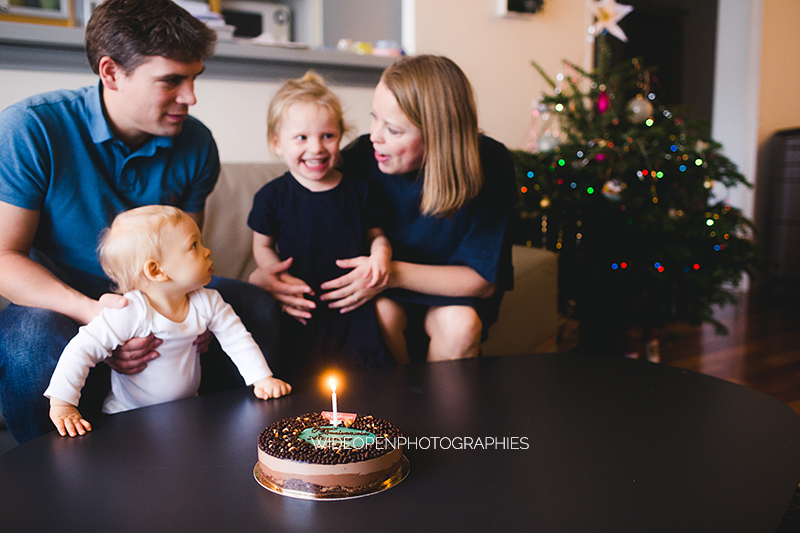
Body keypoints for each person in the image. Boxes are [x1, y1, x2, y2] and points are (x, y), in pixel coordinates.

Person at [0, 0, 280, 443]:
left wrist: (188, 318)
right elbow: (4, 257)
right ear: (111, 73)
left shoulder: (196, 143)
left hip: (160, 293)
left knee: (257, 306)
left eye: (194, 78)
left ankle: (229, 448)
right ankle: (50, 472)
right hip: (61, 300)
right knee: (31, 339)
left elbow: (185, 251)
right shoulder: (30, 130)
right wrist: (96, 315)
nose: (190, 97)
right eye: (171, 80)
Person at [258, 55, 516, 364]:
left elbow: (482, 281)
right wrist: (262, 276)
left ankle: (440, 397)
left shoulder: (491, 163)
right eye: (374, 117)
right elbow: (302, 222)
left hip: (449, 294)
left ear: (438, 135)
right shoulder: (360, 158)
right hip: (382, 297)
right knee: (383, 312)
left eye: (393, 130)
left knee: (459, 326)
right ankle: (401, 392)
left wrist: (387, 272)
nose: (374, 136)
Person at [45, 206, 291, 438]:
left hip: (187, 409)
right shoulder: (131, 311)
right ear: (156, 271)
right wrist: (63, 404)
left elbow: (236, 338)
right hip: (128, 415)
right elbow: (81, 350)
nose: (207, 251)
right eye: (194, 245)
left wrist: (261, 378)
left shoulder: (208, 301)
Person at [247, 72, 395, 377]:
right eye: (301, 138)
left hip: (352, 305)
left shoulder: (359, 190)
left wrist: (381, 255)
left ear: (341, 136)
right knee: (302, 378)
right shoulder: (271, 196)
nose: (316, 148)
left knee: (368, 378)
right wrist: (275, 276)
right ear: (277, 143)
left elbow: (377, 236)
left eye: (327, 136)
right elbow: (262, 245)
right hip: (301, 306)